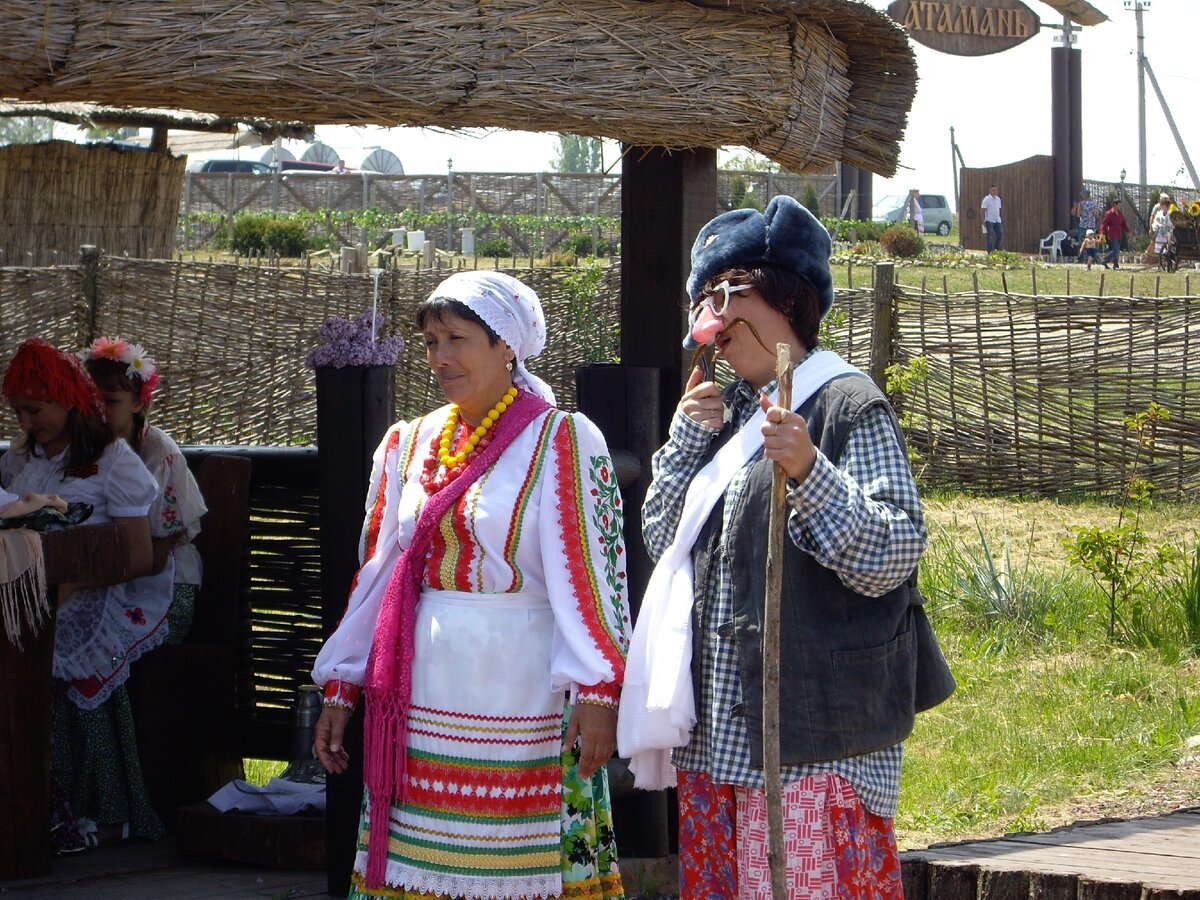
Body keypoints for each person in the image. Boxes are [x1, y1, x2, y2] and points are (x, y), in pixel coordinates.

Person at [617, 195, 955, 898]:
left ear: (784, 298)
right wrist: (685, 442)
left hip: (812, 741)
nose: (712, 316)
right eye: (704, 297)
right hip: (721, 743)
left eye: (727, 292)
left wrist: (810, 470)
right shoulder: (730, 412)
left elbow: (893, 554)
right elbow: (662, 541)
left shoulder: (845, 405)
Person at [311, 271, 631, 900]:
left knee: (519, 863)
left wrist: (599, 691)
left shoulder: (561, 441)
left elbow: (598, 573)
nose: (441, 357)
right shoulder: (409, 444)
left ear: (507, 345)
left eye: (457, 338)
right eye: (431, 342)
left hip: (525, 694)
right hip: (421, 688)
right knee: (423, 859)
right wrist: (343, 683)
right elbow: (377, 577)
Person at [1, 338, 172, 851]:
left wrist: (71, 582)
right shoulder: (25, 462)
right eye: (19, 413)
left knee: (74, 672)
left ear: (68, 400)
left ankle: (107, 812)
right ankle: (39, 810)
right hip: (43, 593)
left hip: (107, 595)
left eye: (35, 410)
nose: (27, 423)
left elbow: (138, 555)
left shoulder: (112, 460)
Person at [81, 337, 208, 644]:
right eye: (91, 400)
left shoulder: (159, 454)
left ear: (138, 403)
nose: (99, 410)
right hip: (109, 583)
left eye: (111, 401)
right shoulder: (89, 449)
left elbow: (160, 546)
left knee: (100, 642)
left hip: (163, 587)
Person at [1100, 199, 1131, 269]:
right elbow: (1104, 223)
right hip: (1112, 233)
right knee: (1115, 249)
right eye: (1119, 205)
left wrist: (1128, 231)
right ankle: (1115, 264)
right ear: (1115, 205)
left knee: (1116, 250)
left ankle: (1104, 260)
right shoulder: (1109, 213)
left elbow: (1124, 223)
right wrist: (1102, 233)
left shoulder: (1120, 213)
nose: (1120, 206)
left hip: (1119, 234)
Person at [1150, 193, 1174, 261]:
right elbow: (1155, 221)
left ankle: (1167, 253)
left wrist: (1170, 229)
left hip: (1168, 232)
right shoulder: (1159, 213)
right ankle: (1160, 257)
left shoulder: (1170, 214)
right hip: (1161, 232)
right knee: (1159, 244)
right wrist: (1158, 224)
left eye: (1161, 205)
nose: (1160, 207)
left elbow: (1172, 224)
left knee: (1168, 242)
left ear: (1164, 206)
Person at [981, 184, 1003, 251]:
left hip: (997, 220)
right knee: (989, 237)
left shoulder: (998, 199)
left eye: (996, 190)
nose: (994, 191)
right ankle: (990, 252)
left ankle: (996, 249)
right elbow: (982, 211)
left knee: (1000, 235)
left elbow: (998, 209)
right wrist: (983, 221)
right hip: (989, 220)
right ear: (990, 190)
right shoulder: (986, 199)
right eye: (993, 190)